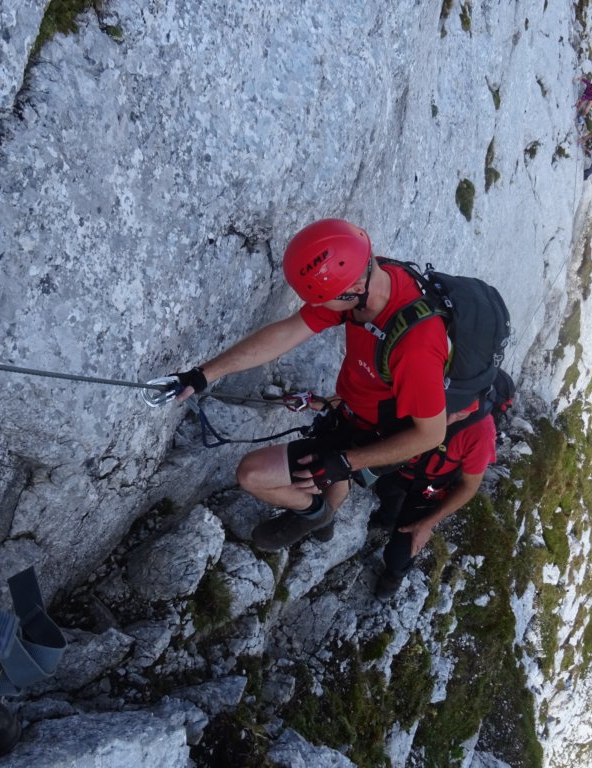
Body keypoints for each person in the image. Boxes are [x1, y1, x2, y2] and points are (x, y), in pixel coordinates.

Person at [171, 218, 450, 552]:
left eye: (322, 299)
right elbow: (288, 331)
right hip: (349, 408)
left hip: (381, 435)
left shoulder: (416, 348)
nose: (316, 307)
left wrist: (346, 462)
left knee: (252, 474)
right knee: (330, 466)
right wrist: (204, 374)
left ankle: (314, 514)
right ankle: (323, 515)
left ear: (355, 289)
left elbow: (431, 435)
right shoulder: (369, 278)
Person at [369, 395, 497, 599]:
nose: (448, 420)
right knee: (386, 490)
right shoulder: (422, 392)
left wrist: (427, 524)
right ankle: (387, 518)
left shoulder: (481, 431)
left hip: (431, 487)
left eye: (458, 413)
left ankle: (394, 575)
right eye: (448, 409)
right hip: (401, 468)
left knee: (402, 550)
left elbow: (469, 486)